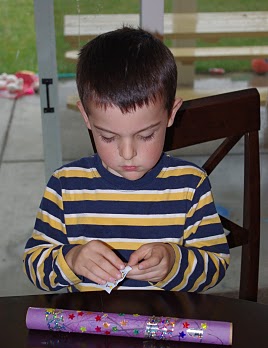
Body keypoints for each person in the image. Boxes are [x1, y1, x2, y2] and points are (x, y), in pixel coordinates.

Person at [23, 27, 230, 293]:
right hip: (90, 328)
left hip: (167, 327)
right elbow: (35, 266)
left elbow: (216, 266)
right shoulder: (65, 187)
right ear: (86, 117)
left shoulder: (190, 185)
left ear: (171, 113)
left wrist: (173, 261)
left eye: (146, 135)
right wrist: (72, 260)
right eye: (108, 137)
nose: (128, 153)